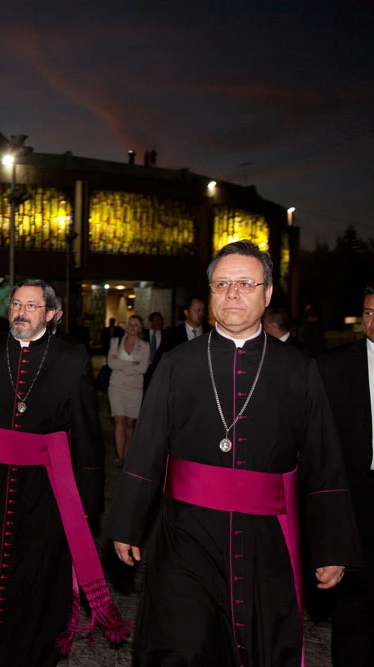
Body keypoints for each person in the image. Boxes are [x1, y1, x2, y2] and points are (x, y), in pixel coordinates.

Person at [107, 241, 361, 666]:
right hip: (186, 535)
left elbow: (323, 460)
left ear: (268, 294)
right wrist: (126, 523)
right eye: (222, 284)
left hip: (267, 541)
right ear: (209, 295)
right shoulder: (176, 363)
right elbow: (147, 448)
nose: (232, 294)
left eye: (245, 283)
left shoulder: (299, 367)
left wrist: (333, 546)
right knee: (181, 646)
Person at [0, 278, 120, 666]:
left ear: (52, 314)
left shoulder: (71, 358)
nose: (21, 312)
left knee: (42, 573)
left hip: (48, 487)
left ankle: (40, 653)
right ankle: (3, 651)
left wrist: (88, 500)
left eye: (31, 306)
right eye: (16, 305)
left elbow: (85, 432)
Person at [317, 285, 374, 665]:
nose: (373, 321)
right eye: (369, 312)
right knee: (353, 606)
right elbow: (320, 448)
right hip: (356, 496)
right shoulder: (335, 366)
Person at [107, 315, 150, 463]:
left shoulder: (144, 346)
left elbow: (143, 368)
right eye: (130, 324)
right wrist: (132, 364)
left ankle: (127, 455)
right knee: (119, 420)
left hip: (134, 389)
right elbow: (111, 364)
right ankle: (120, 457)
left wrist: (121, 364)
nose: (132, 327)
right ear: (126, 326)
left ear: (140, 329)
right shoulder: (115, 341)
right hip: (116, 387)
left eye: (136, 325)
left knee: (130, 424)